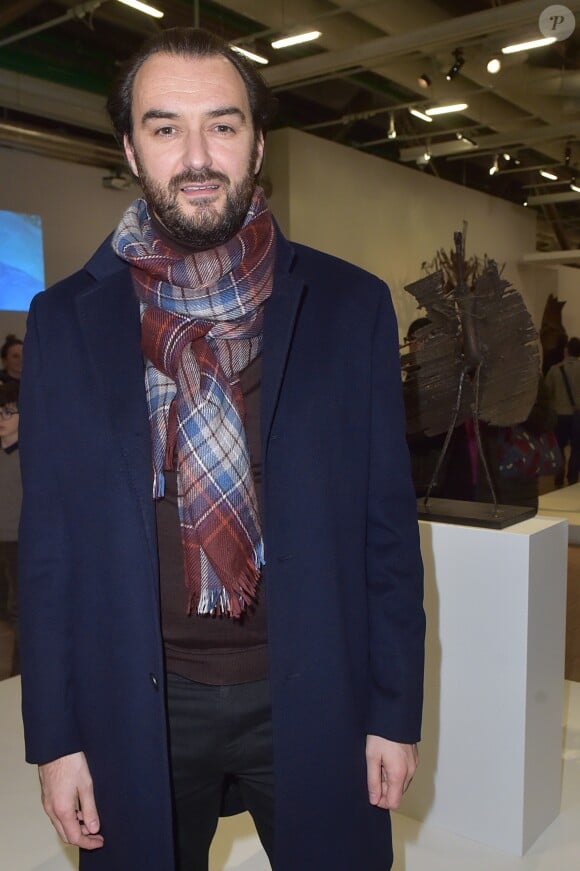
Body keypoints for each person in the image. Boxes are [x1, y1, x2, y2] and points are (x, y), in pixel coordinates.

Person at [18, 27, 425, 871]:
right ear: (131, 149)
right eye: (166, 127)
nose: (197, 155)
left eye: (223, 125)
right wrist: (55, 742)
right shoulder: (64, 321)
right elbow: (50, 548)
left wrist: (393, 710)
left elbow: (386, 530)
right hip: (136, 700)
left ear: (258, 142)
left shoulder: (351, 307)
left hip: (318, 693)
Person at [0, 379, 21, 675]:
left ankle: (19, 672)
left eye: (8, 413)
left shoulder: (30, 455)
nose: (2, 419)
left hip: (18, 540)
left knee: (18, 608)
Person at [545, 336, 580, 486]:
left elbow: (547, 393)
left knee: (559, 447)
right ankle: (573, 478)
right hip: (578, 415)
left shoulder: (555, 370)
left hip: (559, 415)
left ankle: (558, 478)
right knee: (577, 448)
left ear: (567, 350)